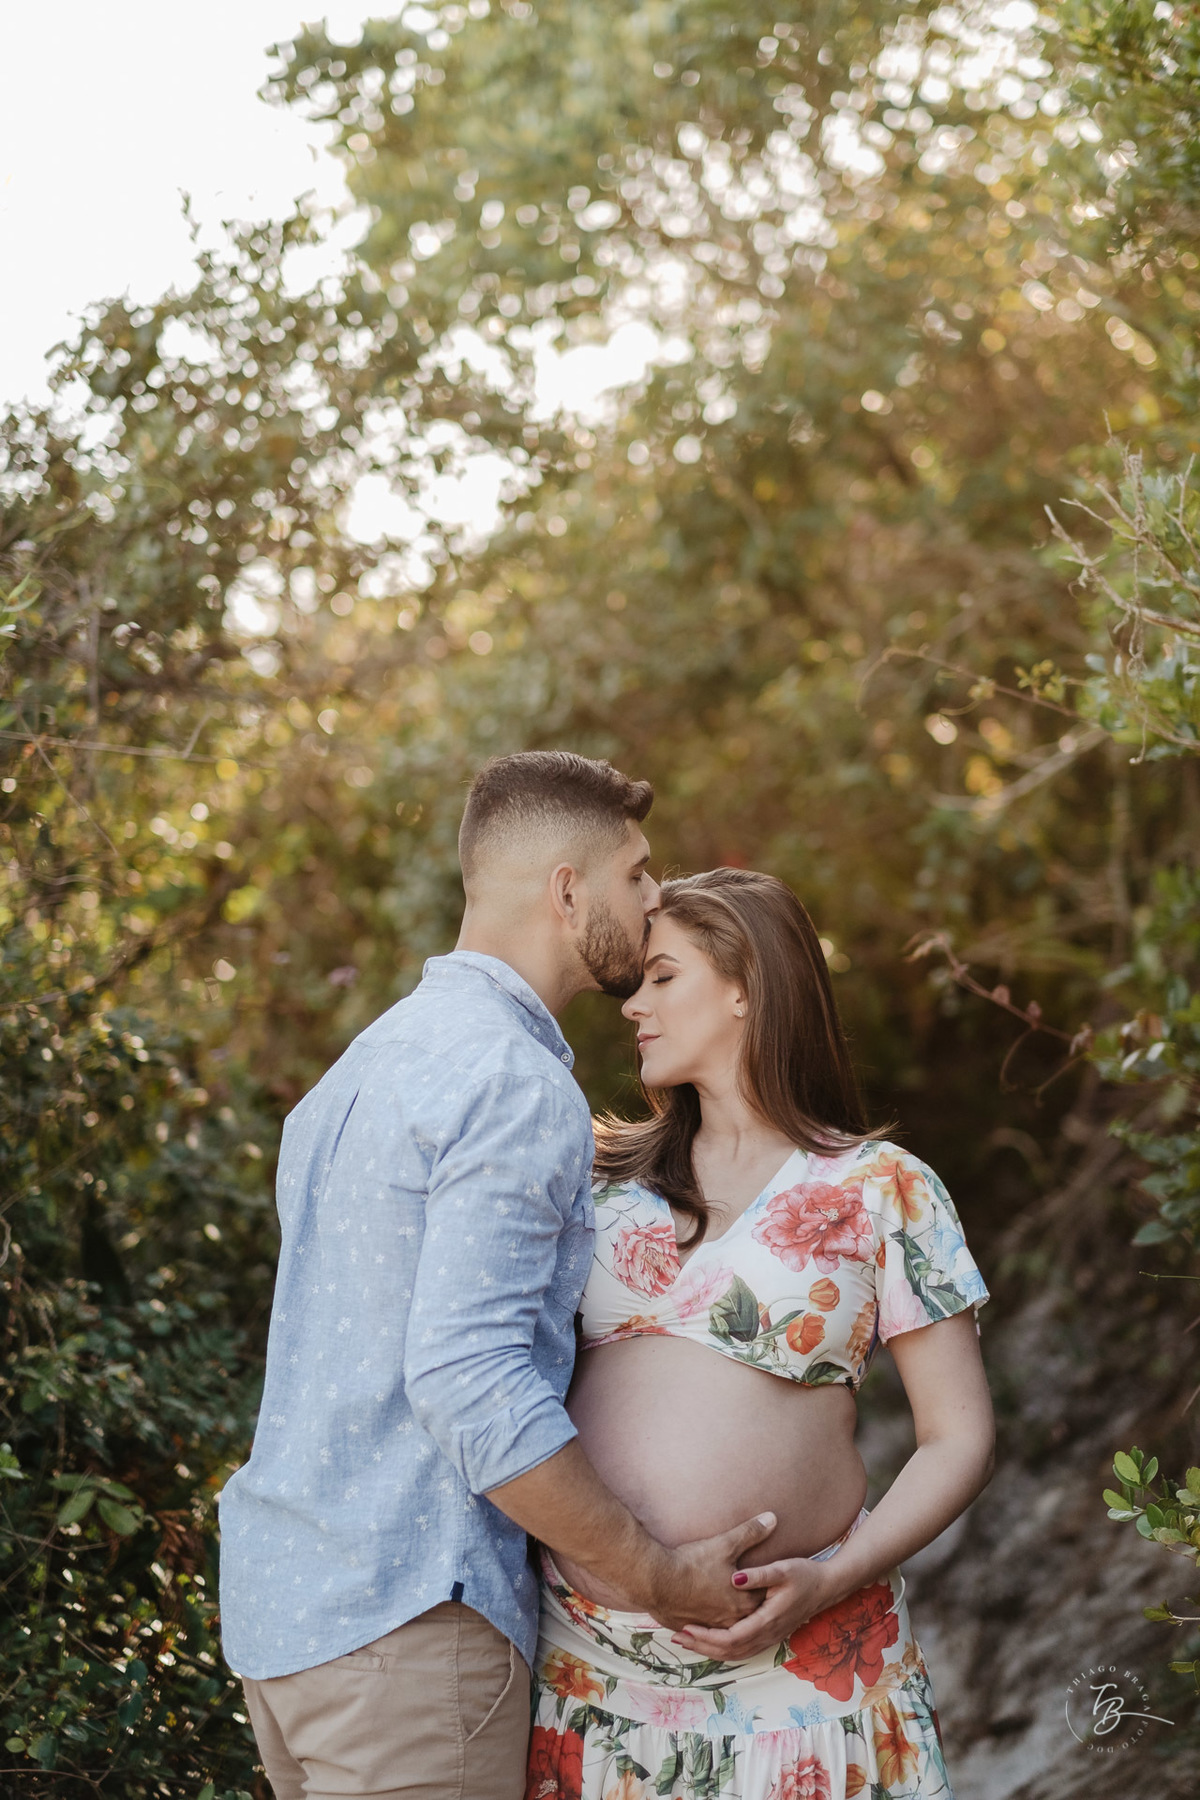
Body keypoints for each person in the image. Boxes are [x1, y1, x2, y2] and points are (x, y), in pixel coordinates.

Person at [218, 753, 776, 1800]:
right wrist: (653, 1573)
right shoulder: (513, 1081)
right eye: (638, 874)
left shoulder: (365, 1067)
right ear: (568, 891)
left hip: (289, 1623)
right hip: (411, 1626)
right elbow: (467, 1379)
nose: (655, 902)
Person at [527, 868, 994, 1800]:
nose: (634, 1008)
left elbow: (959, 1437)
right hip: (591, 1675)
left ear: (745, 986)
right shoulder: (591, 1172)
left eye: (664, 977)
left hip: (806, 1677)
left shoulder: (881, 1186)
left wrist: (832, 1579)